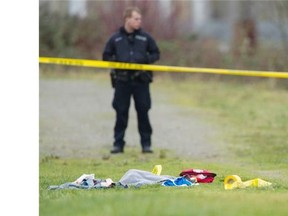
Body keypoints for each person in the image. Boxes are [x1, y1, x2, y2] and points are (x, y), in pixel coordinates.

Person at [102, 6, 160, 154]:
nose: (139, 21)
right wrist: (116, 62)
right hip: (122, 81)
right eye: (136, 19)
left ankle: (146, 145)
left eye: (140, 19)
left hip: (141, 80)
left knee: (143, 112)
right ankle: (118, 144)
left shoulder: (145, 37)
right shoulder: (116, 39)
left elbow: (156, 53)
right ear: (127, 19)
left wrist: (146, 60)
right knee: (121, 112)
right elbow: (106, 56)